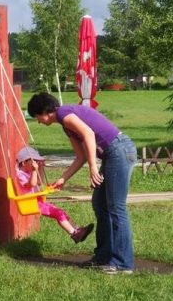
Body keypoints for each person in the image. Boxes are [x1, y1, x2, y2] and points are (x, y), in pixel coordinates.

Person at [27, 93, 137, 274]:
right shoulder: (65, 124)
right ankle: (103, 258)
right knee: (100, 205)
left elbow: (88, 134)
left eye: (37, 117)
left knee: (116, 208)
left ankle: (123, 264)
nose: (38, 122)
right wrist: (63, 178)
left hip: (119, 150)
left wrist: (94, 167)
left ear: (45, 112)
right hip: (112, 154)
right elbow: (81, 156)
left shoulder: (64, 113)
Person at [15, 146, 94, 244]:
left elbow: (39, 181)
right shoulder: (20, 175)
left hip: (36, 201)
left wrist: (40, 169)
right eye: (33, 161)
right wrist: (35, 170)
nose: (35, 163)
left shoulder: (28, 172)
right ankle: (74, 233)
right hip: (29, 203)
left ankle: (77, 229)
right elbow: (32, 184)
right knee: (57, 213)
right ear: (23, 163)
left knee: (60, 211)